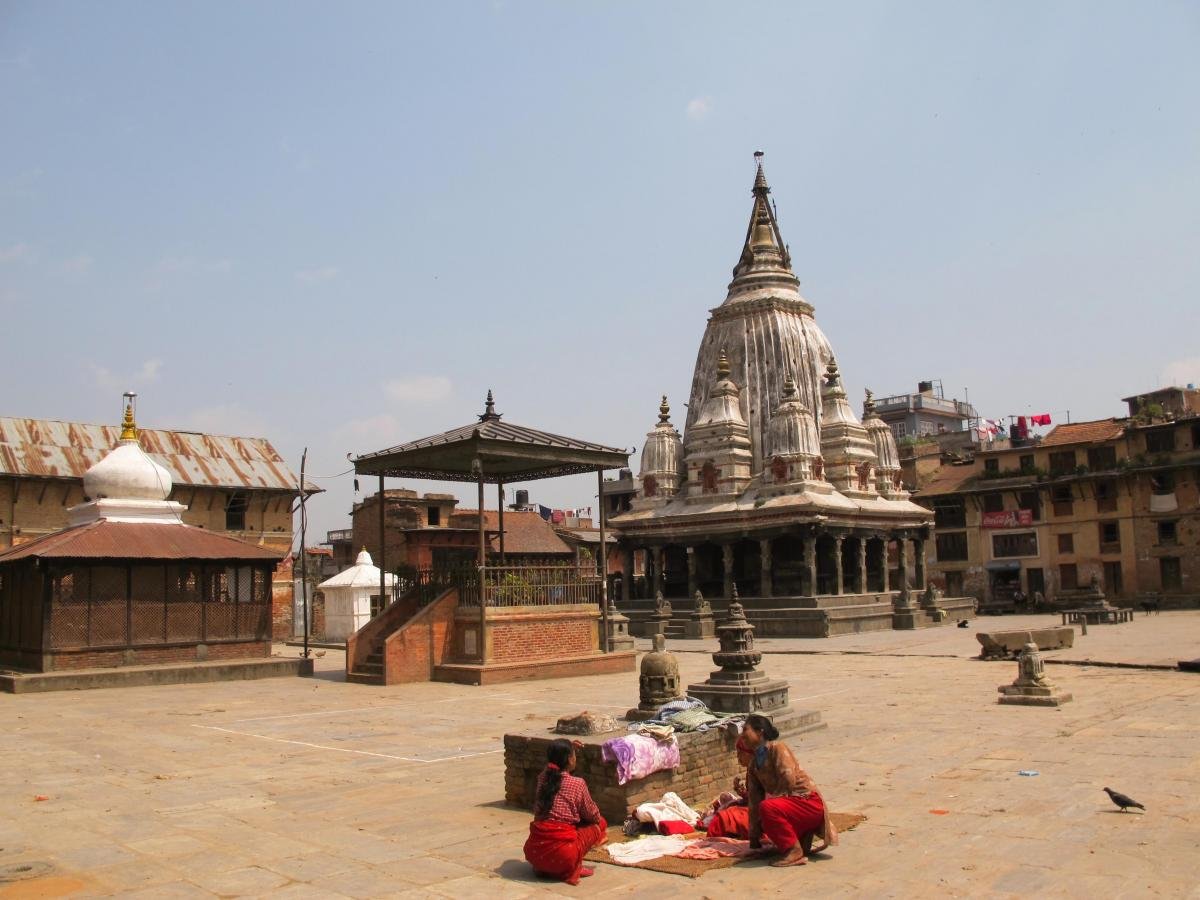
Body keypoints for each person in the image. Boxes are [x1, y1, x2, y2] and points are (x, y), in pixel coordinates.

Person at [742, 713, 838, 867]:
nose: (742, 736)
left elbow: (788, 779)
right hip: (790, 804)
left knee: (768, 808)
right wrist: (754, 835)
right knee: (764, 811)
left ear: (760, 732)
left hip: (807, 801)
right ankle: (798, 842)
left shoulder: (777, 748)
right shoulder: (753, 764)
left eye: (745, 730)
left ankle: (794, 850)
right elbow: (754, 799)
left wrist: (773, 805)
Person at [523, 738, 608, 885]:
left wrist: (565, 749)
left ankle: (545, 867)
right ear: (569, 759)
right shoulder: (577, 783)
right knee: (600, 823)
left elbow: (549, 768)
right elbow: (592, 815)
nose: (576, 758)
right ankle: (573, 865)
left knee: (572, 826)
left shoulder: (542, 778)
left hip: (535, 853)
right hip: (564, 856)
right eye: (574, 755)